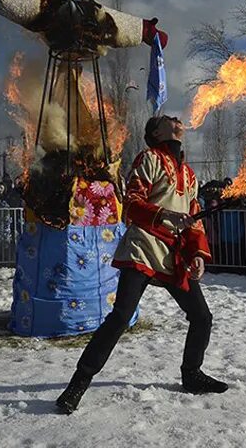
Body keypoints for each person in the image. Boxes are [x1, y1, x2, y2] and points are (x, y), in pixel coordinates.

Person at [56, 115, 226, 415]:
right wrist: (162, 215)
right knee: (121, 316)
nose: (176, 120)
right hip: (144, 245)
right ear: (155, 133)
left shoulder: (189, 174)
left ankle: (191, 374)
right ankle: (78, 383)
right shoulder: (148, 159)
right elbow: (132, 203)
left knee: (202, 316)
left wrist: (198, 253)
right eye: (165, 120)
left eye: (176, 119)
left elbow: (193, 221)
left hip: (173, 253)